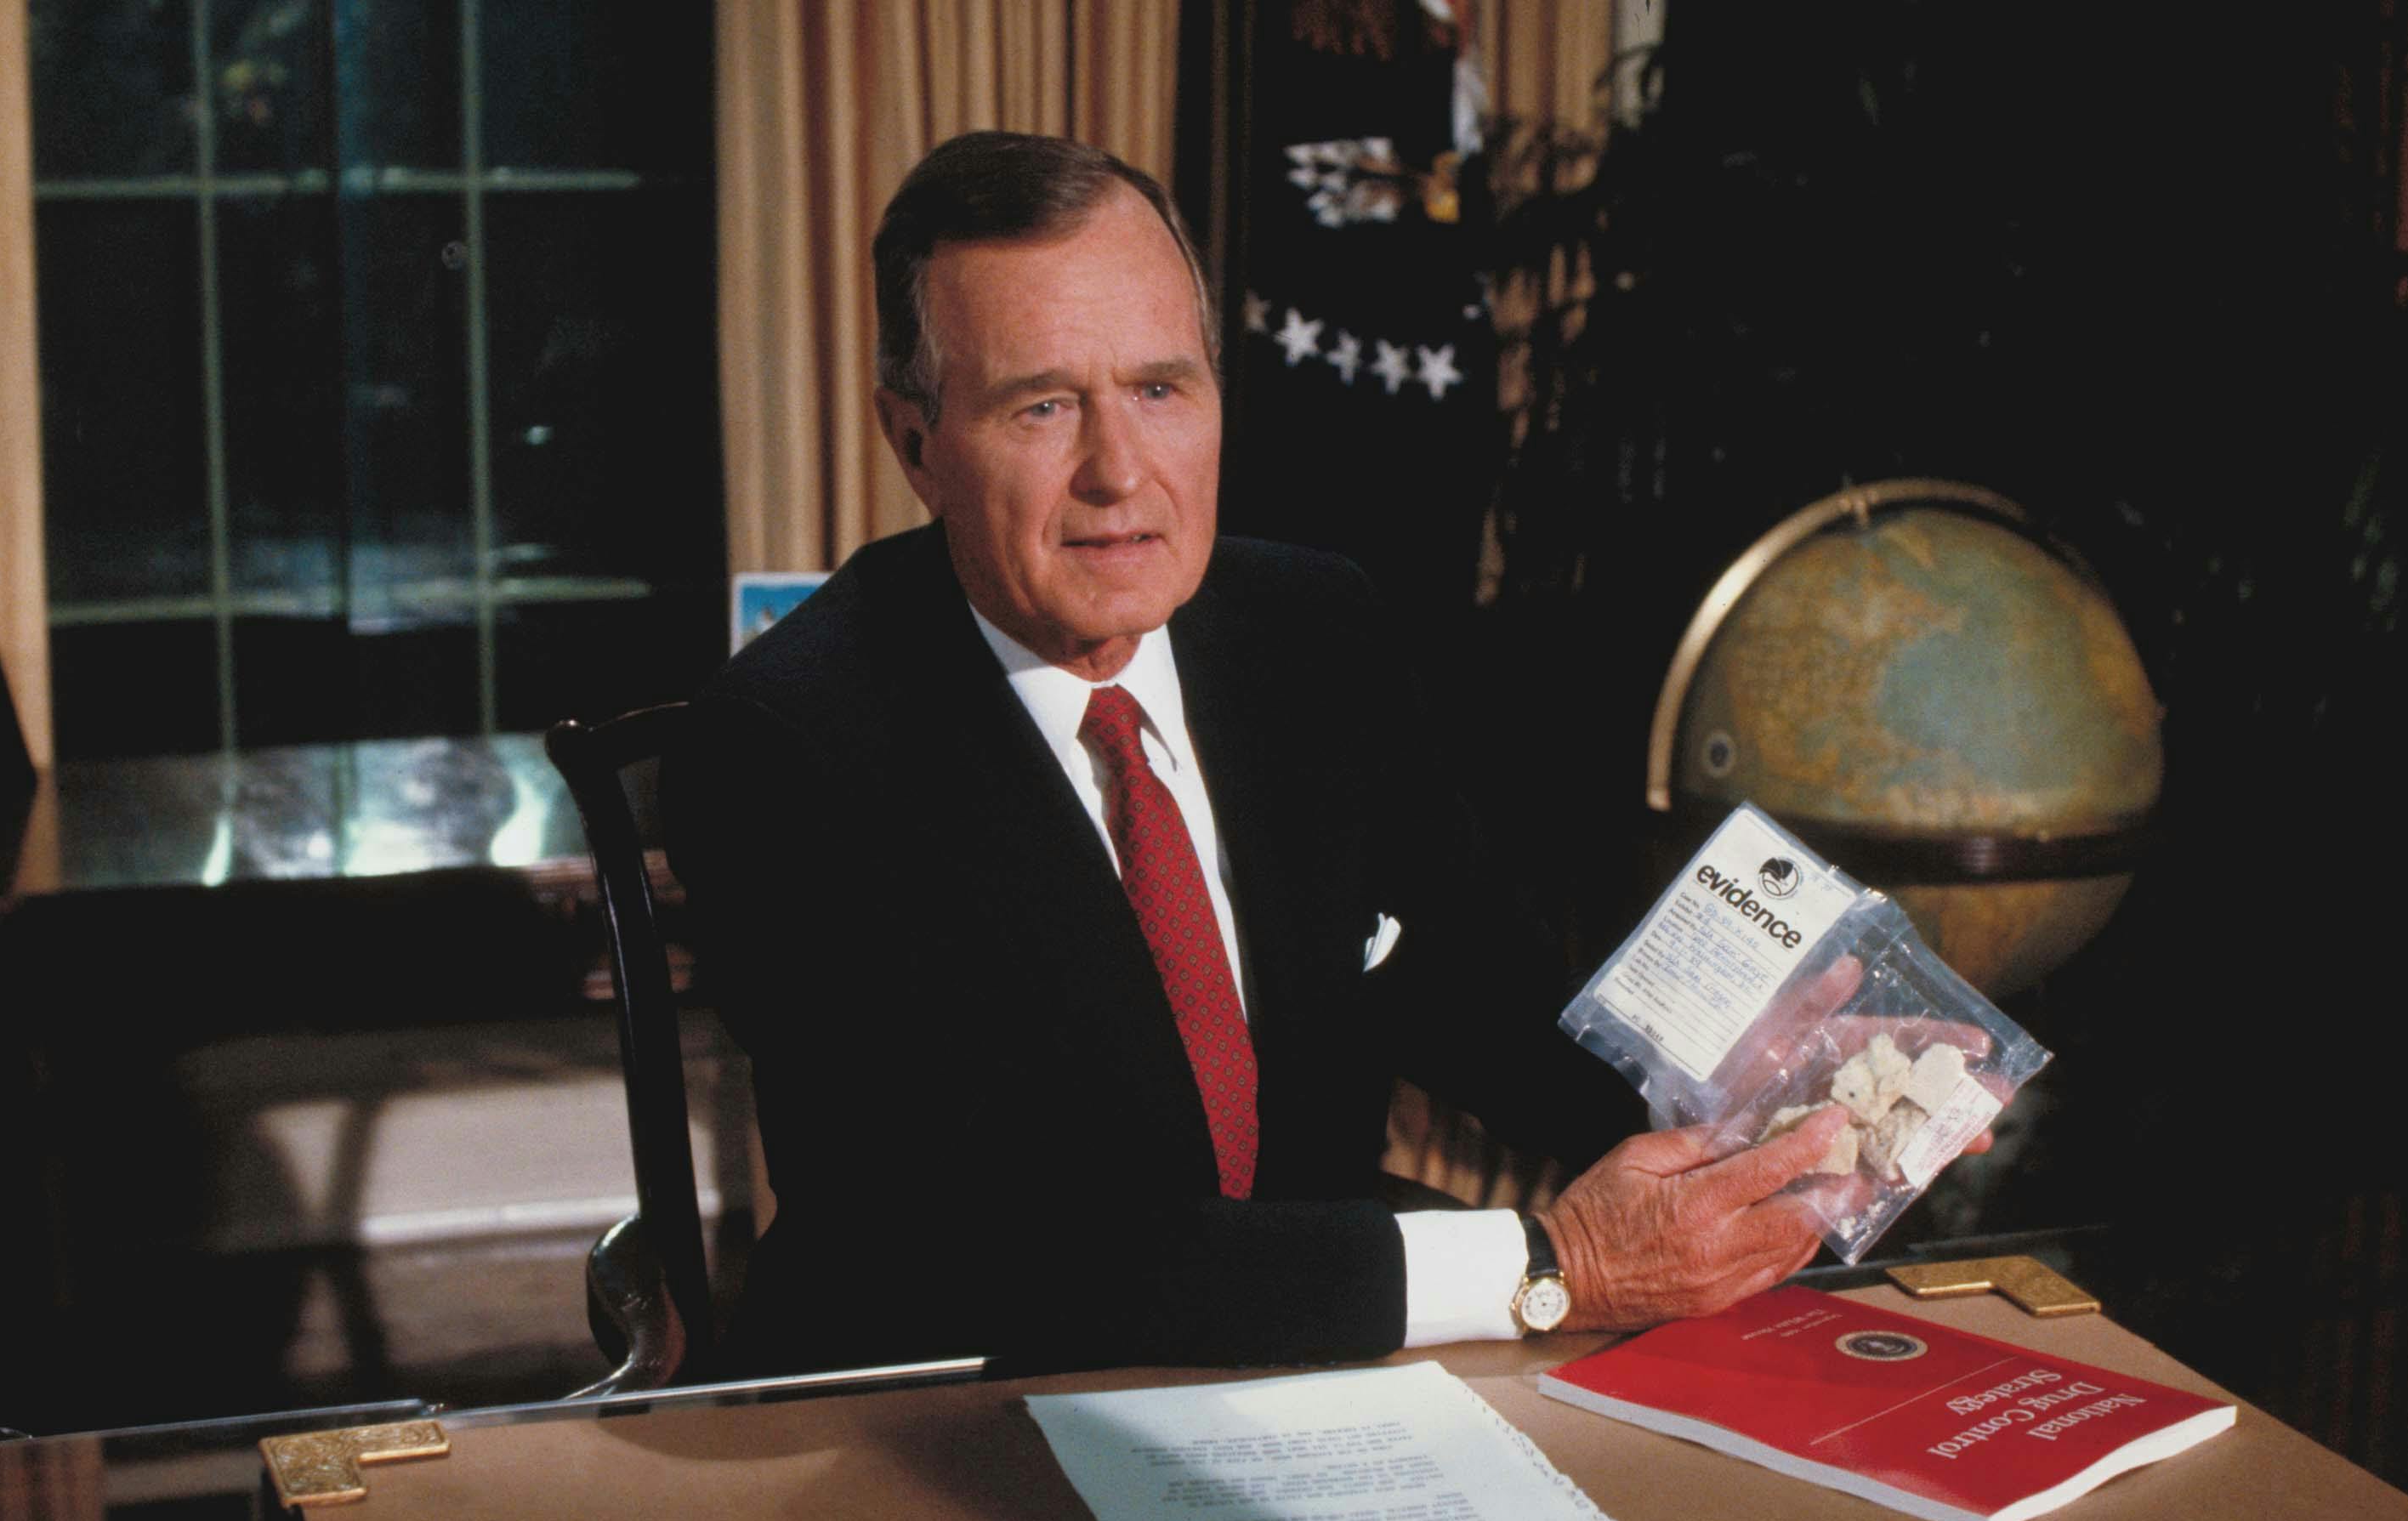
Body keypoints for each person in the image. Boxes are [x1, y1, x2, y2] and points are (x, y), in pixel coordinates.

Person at [663, 130, 1849, 1376]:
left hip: (1329, 1367)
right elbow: (994, 1251)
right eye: (1044, 406)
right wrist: (1551, 1267)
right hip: (967, 1415)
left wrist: (1739, 1099)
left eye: (1161, 390)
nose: (1118, 473)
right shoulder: (789, 749)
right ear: (916, 443)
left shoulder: (1308, 626)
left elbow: (1477, 988)